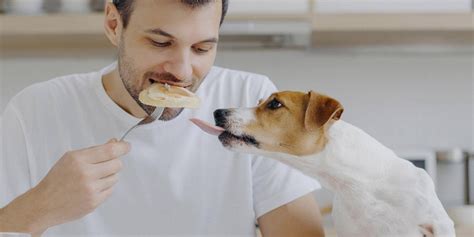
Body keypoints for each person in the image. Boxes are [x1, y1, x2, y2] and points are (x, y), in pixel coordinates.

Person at [0, 0, 325, 236]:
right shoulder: (35, 110)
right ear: (114, 24)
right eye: (160, 42)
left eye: (201, 49)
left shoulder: (249, 100)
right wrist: (40, 207)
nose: (182, 72)